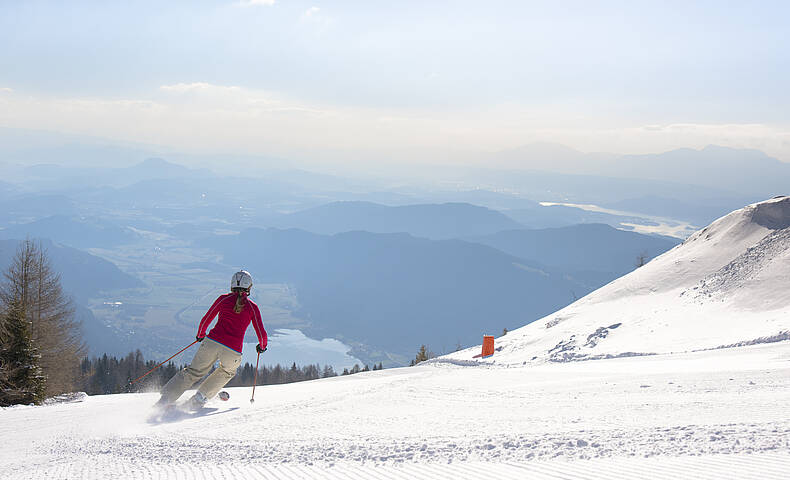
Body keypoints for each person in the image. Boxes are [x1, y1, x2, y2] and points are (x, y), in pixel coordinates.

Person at [156, 270, 267, 410]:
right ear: (249, 287)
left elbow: (205, 320)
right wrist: (261, 347)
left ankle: (166, 399)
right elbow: (262, 336)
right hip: (232, 350)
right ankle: (200, 398)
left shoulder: (223, 299)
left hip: (212, 342)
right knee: (227, 372)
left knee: (193, 372)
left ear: (232, 285)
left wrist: (200, 335)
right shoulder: (252, 307)